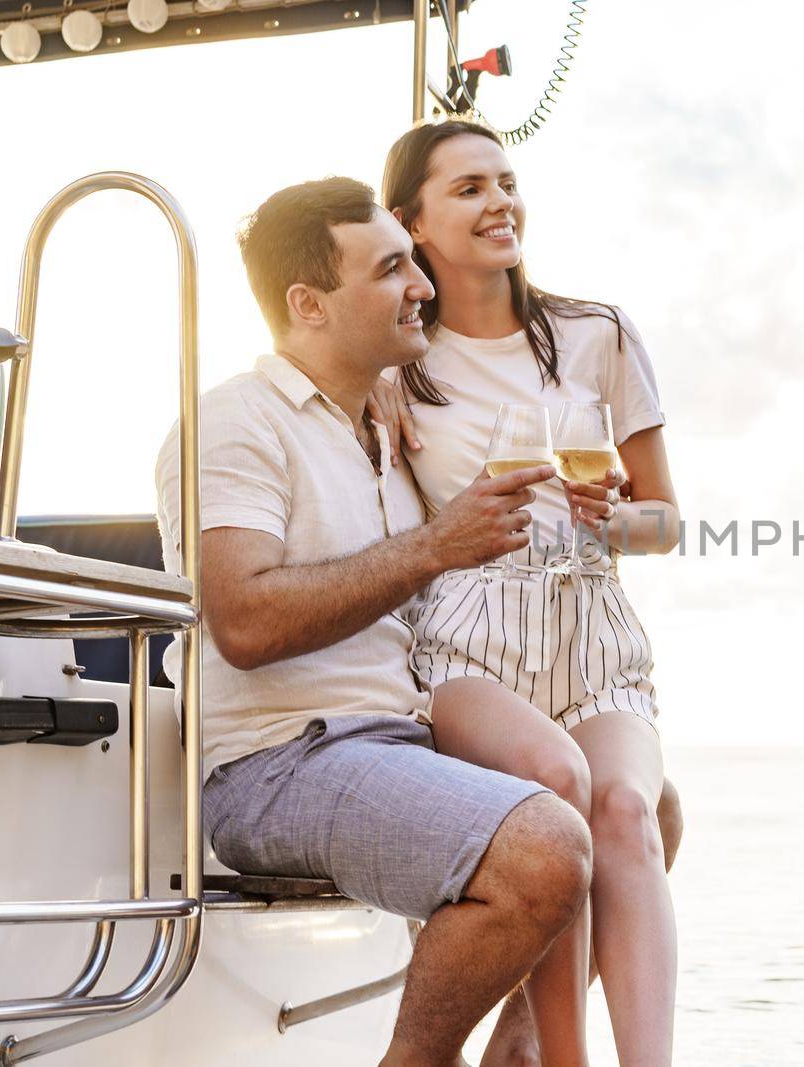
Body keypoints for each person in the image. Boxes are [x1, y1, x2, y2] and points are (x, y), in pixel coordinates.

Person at [154, 176, 593, 1067]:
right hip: (279, 760)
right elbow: (241, 620)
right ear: (307, 304)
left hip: (398, 738)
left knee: (639, 809)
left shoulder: (386, 427)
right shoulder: (234, 423)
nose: (422, 285)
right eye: (392, 268)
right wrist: (435, 546)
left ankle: (522, 1050)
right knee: (545, 850)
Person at [371, 118, 682, 1067]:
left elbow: (664, 523)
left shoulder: (599, 335)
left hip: (591, 621)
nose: (499, 202)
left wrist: (610, 518)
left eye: (505, 182)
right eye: (467, 188)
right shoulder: (395, 364)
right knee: (558, 783)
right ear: (410, 222)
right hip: (470, 633)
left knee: (629, 809)